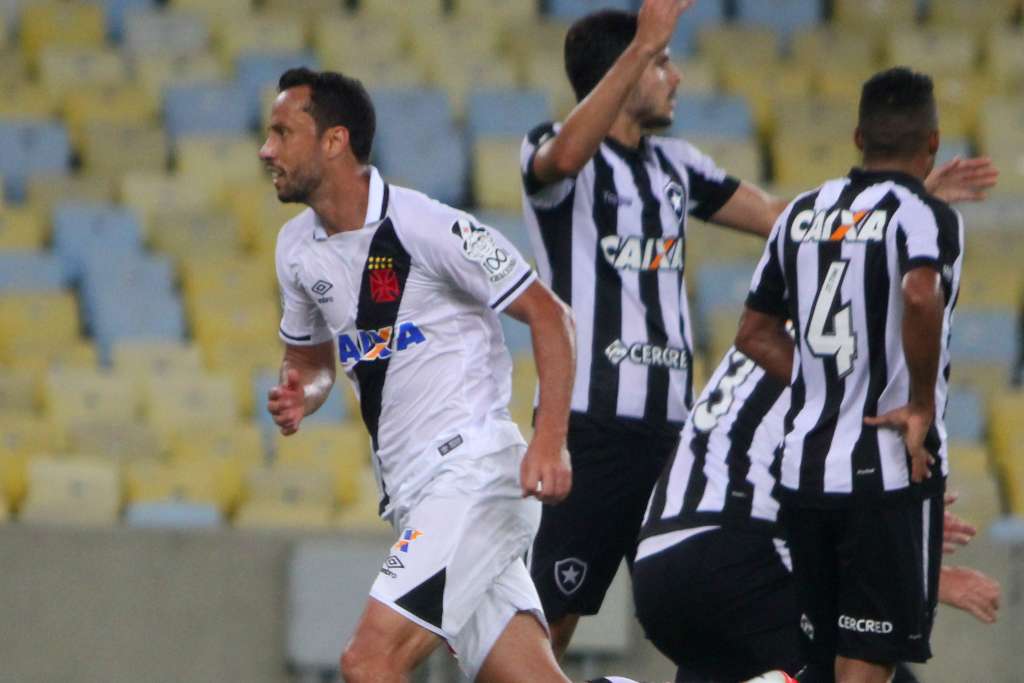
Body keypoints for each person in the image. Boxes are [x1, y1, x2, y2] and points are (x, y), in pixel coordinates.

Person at [519, 0, 999, 658]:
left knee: (696, 608)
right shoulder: (551, 150)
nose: (675, 77)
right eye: (662, 64)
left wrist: (900, 199)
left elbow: (782, 216)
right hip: (590, 426)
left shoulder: (675, 164)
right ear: (623, 71)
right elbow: (566, 158)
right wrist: (642, 43)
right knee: (550, 619)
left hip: (669, 432)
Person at [259, 67, 578, 682]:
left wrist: (549, 440)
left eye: (282, 132)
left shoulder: (429, 226)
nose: (266, 149)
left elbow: (551, 316)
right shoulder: (295, 250)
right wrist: (304, 393)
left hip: (473, 473)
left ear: (334, 140)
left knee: (368, 662)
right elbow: (310, 361)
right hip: (415, 495)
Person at [736, 67, 966, 683]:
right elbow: (920, 294)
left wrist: (826, 387)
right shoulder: (926, 215)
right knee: (868, 662)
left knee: (819, 662)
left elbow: (753, 334)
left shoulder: (799, 213)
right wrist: (920, 404)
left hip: (804, 474)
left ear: (859, 138)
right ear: (933, 142)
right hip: (885, 475)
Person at [633, 342, 1000, 683]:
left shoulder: (782, 331)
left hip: (657, 569)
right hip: (736, 552)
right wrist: (920, 570)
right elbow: (834, 505)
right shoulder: (855, 343)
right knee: (870, 668)